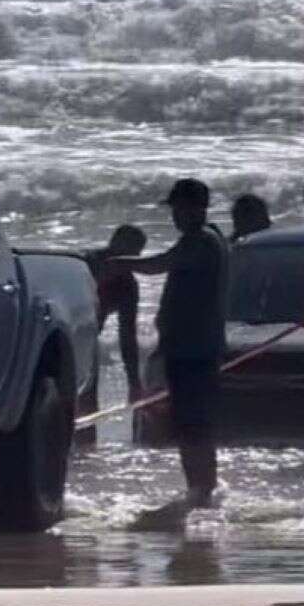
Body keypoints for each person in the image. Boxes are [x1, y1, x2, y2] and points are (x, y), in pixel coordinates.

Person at [108, 179, 227, 506]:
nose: (175, 215)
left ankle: (201, 491)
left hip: (194, 351)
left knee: (194, 427)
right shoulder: (206, 240)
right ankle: (202, 489)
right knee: (191, 425)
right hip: (189, 349)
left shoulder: (201, 242)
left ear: (196, 209)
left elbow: (157, 265)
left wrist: (119, 263)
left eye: (179, 208)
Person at [82, 225, 147, 410]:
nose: (128, 261)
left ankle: (87, 440)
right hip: (59, 338)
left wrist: (134, 382)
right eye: (125, 252)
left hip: (87, 344)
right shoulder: (85, 265)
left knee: (88, 403)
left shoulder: (127, 286)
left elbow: (127, 336)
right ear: (112, 243)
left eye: (135, 255)